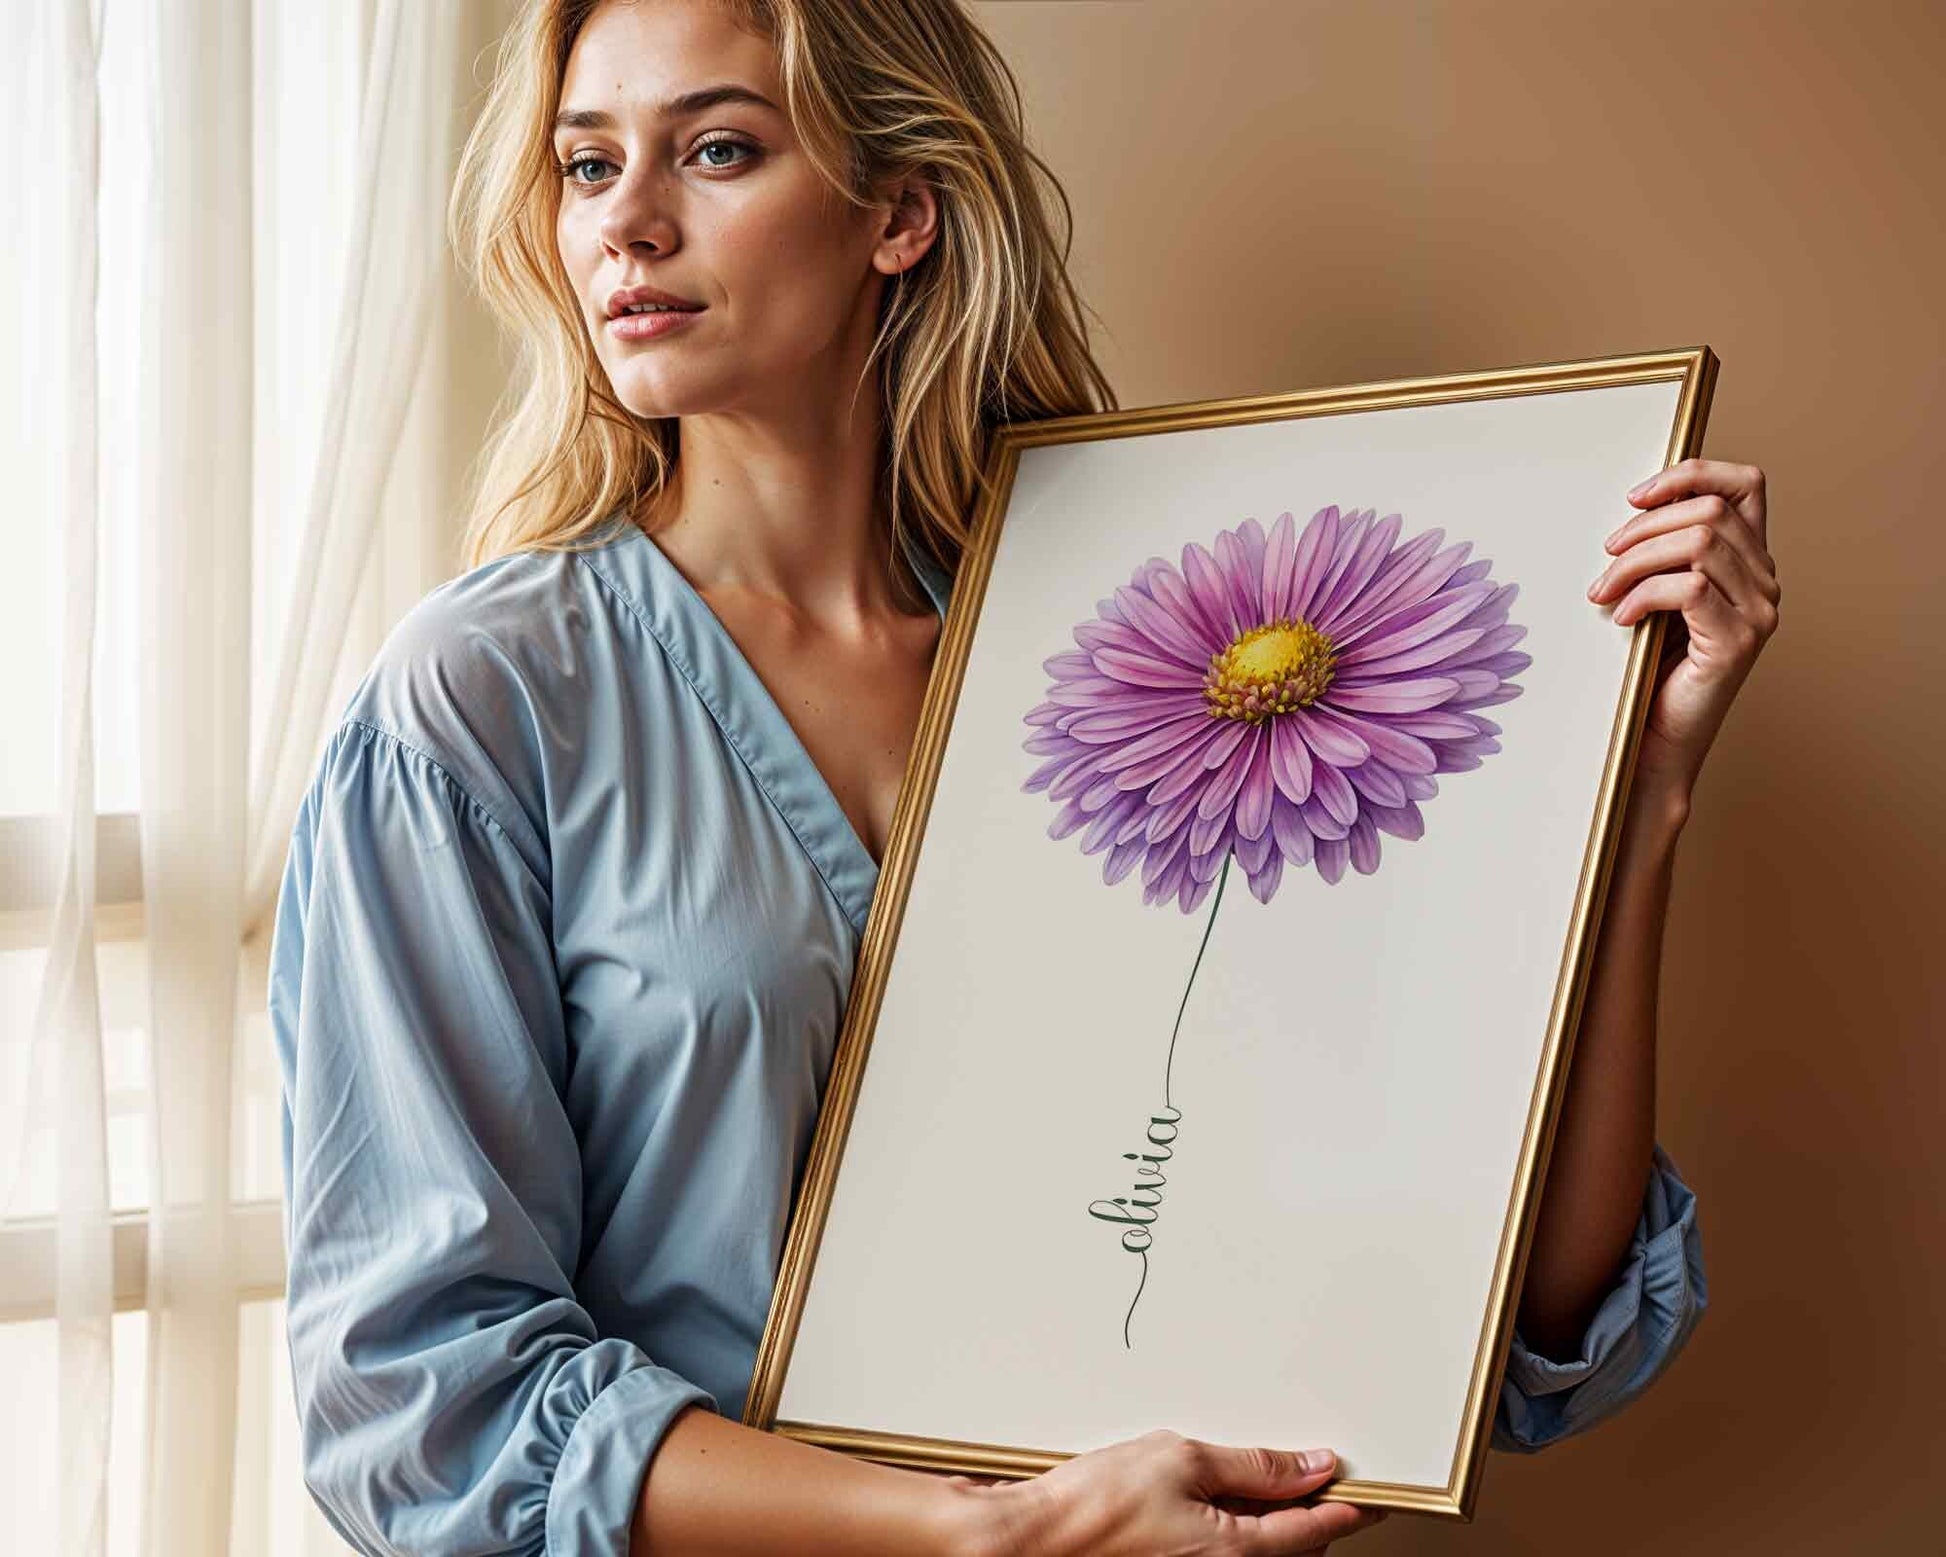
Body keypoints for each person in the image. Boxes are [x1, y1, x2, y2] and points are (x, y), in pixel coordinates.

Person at [267, 1, 1781, 1553]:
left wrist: (1638, 796)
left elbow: (1532, 1312)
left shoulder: (1140, 650)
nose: (627, 226)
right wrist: (982, 1532)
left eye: (716, 149)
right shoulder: (483, 704)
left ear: (899, 213)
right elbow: (418, 1395)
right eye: (587, 166)